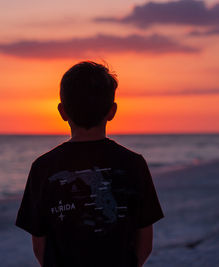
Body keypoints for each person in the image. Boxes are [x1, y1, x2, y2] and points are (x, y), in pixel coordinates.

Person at [15, 61, 164, 267]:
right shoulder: (134, 164)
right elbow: (145, 242)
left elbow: (40, 245)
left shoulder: (43, 168)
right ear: (112, 111)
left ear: (62, 111)